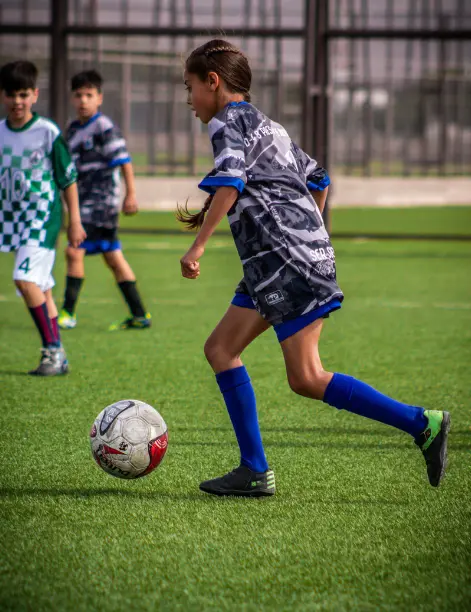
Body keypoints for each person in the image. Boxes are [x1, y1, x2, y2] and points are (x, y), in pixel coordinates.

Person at [177, 39, 450, 497]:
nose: (189, 99)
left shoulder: (227, 122)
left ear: (213, 82)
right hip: (277, 263)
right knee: (221, 349)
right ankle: (254, 470)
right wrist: (310, 234)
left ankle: (422, 423)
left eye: (190, 87)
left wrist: (198, 247)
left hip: (285, 264)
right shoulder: (271, 127)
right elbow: (319, 178)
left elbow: (230, 181)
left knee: (306, 377)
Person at [0, 60, 86, 376]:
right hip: (13, 221)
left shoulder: (47, 132)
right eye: (11, 95)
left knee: (24, 279)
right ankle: (57, 358)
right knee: (42, 287)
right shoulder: (1, 133)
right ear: (2, 96)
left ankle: (53, 350)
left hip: (43, 217)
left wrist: (75, 220)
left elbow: (68, 179)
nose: (18, 101)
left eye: (24, 94)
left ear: (35, 95)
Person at [58, 69, 151, 331]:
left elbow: (124, 161)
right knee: (112, 256)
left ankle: (67, 313)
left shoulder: (104, 127)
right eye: (78, 95)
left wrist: (130, 194)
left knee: (74, 249)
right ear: (72, 98)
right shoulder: (72, 129)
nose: (83, 100)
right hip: (83, 201)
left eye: (89, 95)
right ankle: (139, 314)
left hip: (101, 203)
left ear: (99, 98)